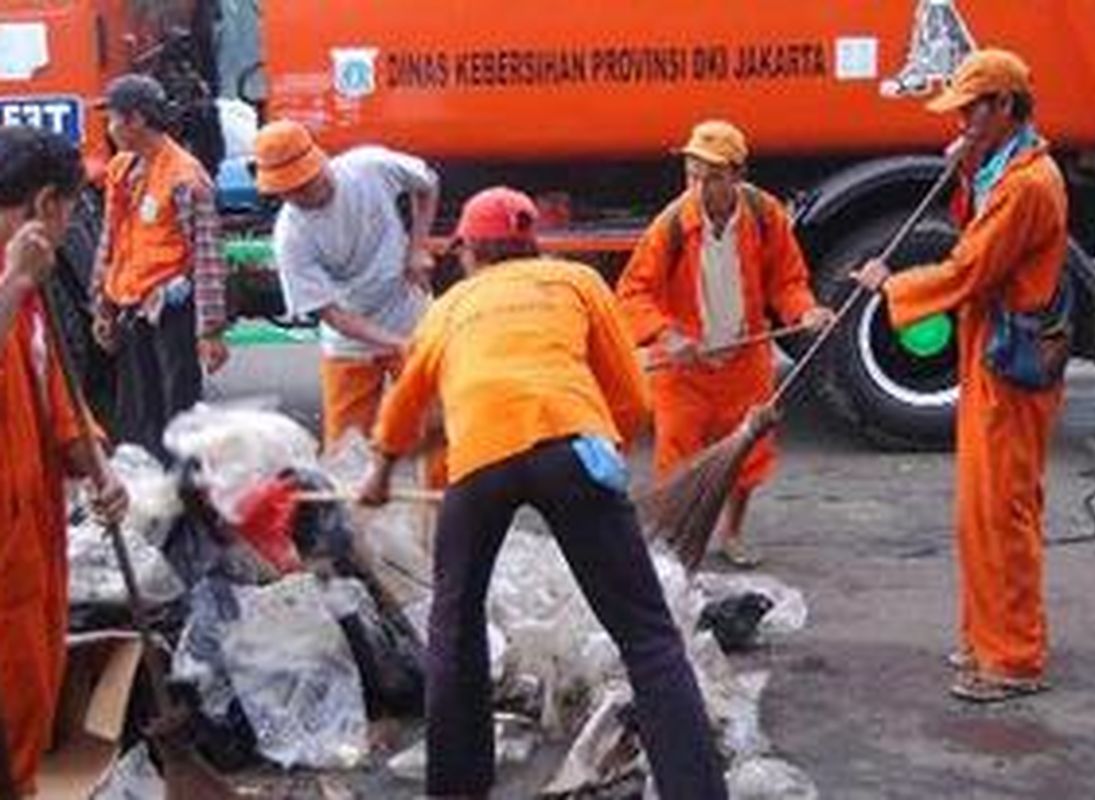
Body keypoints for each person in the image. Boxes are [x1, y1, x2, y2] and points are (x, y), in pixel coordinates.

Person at [360, 187, 728, 800]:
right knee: (647, 636)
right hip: (571, 447)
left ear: (469, 252)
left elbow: (403, 407)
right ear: (531, 243)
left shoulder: (449, 307)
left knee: (455, 626)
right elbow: (632, 396)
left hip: (479, 461)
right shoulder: (577, 281)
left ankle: (456, 790)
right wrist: (600, 447)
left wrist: (378, 475)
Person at [853, 49, 1069, 703]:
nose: (962, 122)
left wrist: (891, 285)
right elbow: (969, 232)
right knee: (979, 509)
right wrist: (967, 165)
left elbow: (969, 267)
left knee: (1000, 510)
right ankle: (986, 637)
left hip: (1011, 360)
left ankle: (1013, 659)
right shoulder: (1004, 168)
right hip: (990, 352)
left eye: (971, 111)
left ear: (1004, 107)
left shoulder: (1029, 185)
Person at [617, 119, 833, 567]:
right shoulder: (671, 224)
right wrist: (666, 334)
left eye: (711, 177)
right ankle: (676, 539)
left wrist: (804, 313)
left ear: (737, 175)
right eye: (692, 174)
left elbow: (787, 281)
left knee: (747, 455)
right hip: (683, 366)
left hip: (743, 358)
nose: (698, 187)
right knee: (677, 460)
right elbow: (634, 293)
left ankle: (731, 534)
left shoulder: (765, 215)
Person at [0, 126, 129, 795]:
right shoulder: (18, 283)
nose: (72, 228)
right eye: (73, 212)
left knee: (28, 698)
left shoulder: (34, 297)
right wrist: (14, 284)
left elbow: (56, 400)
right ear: (46, 205)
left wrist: (98, 470)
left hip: (30, 539)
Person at [254, 119, 440, 450]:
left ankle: (445, 501)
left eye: (305, 184)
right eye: (288, 192)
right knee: (345, 449)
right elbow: (333, 314)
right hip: (349, 338)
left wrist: (416, 247)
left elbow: (427, 183)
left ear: (320, 163)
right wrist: (394, 343)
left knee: (439, 430)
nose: (300, 196)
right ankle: (352, 499)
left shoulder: (369, 167)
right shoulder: (291, 235)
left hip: (409, 313)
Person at [91, 73, 229, 461]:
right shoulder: (122, 169)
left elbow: (207, 257)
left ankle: (184, 503)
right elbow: (111, 241)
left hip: (173, 314)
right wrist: (103, 305)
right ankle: (151, 496)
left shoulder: (186, 177)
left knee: (179, 414)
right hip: (133, 310)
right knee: (138, 416)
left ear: (136, 120)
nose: (110, 128)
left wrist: (211, 331)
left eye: (114, 118)